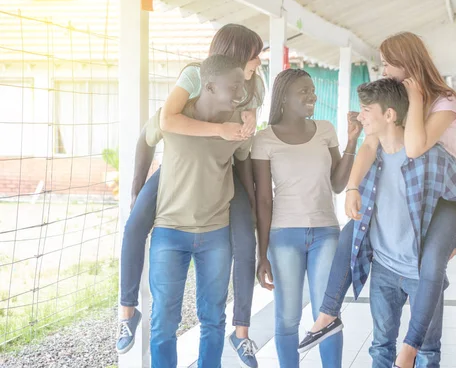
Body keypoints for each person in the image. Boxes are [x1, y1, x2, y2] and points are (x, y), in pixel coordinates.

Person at [300, 31, 456, 367]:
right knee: (352, 230)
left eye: (386, 63)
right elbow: (371, 143)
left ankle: (410, 350)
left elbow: (415, 147)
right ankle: (327, 315)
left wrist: (418, 97)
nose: (382, 69)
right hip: (408, 192)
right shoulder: (396, 98)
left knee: (430, 267)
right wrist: (352, 188)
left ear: (406, 62)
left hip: (445, 198)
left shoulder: (444, 100)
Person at [117, 24, 263, 368]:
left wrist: (247, 125)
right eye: (254, 53)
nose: (258, 60)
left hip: (223, 180)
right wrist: (137, 189)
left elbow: (244, 149)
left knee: (246, 235)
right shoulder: (195, 75)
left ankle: (241, 332)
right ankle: (126, 311)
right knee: (136, 221)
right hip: (178, 182)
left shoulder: (251, 86)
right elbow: (166, 120)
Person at [147, 54, 252, 367]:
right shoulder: (172, 116)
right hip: (169, 232)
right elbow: (146, 140)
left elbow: (245, 166)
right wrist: (137, 194)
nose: (239, 92)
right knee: (164, 320)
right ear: (208, 86)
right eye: (233, 86)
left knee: (213, 317)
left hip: (216, 234)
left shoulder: (238, 125)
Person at [252, 69, 361, 368]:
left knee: (327, 314)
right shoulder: (264, 139)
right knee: (287, 316)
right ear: (284, 97)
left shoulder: (325, 130)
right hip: (283, 235)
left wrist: (353, 140)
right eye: (304, 90)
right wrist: (262, 254)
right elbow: (263, 199)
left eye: (312, 90)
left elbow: (338, 183)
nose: (312, 95)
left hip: (326, 232)